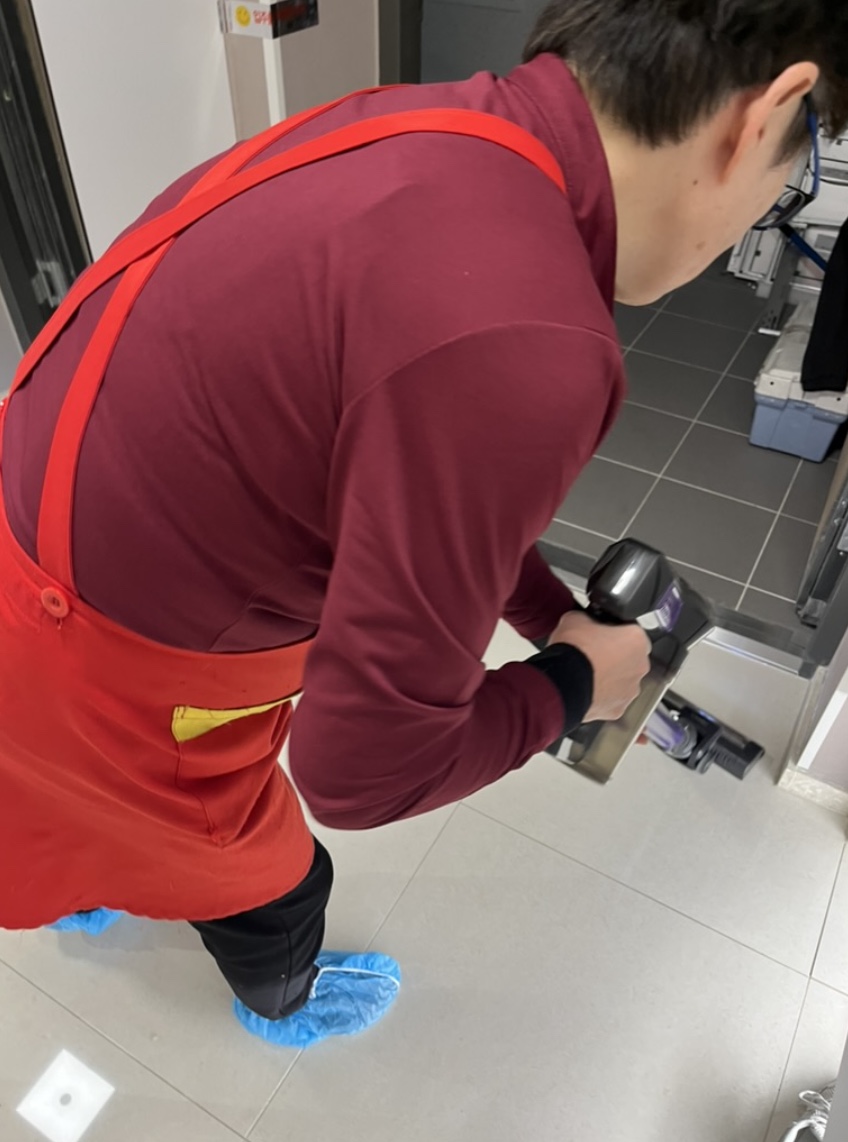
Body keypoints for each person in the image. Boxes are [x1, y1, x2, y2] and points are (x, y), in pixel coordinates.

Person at [1, 0, 846, 1048]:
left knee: (54, 801)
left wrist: (541, 613)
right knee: (270, 878)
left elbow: (394, 466)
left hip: (31, 530)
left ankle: (95, 875)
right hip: (121, 666)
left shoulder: (406, 126)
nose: (767, 202)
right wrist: (570, 686)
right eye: (793, 172)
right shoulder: (531, 340)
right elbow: (363, 772)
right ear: (768, 112)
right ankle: (280, 996)